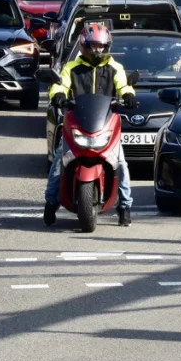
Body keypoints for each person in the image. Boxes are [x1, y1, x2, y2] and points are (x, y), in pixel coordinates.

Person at [44, 23, 138, 227]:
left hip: (104, 125)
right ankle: (50, 202)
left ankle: (125, 206)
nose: (98, 50)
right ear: (84, 45)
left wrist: (128, 95)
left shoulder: (115, 68)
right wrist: (58, 95)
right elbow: (60, 83)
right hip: (77, 123)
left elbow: (123, 85)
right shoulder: (72, 68)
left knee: (121, 163)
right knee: (59, 162)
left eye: (102, 46)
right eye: (94, 46)